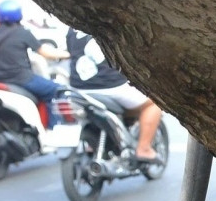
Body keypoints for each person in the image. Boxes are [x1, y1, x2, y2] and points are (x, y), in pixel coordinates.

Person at [66, 28, 162, 162]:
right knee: (154, 103)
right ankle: (144, 148)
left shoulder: (72, 27)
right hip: (111, 86)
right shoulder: (110, 22)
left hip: (78, 89)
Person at [0, 0, 68, 123]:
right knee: (57, 90)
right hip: (22, 79)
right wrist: (69, 54)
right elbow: (46, 53)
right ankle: (55, 129)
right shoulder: (23, 33)